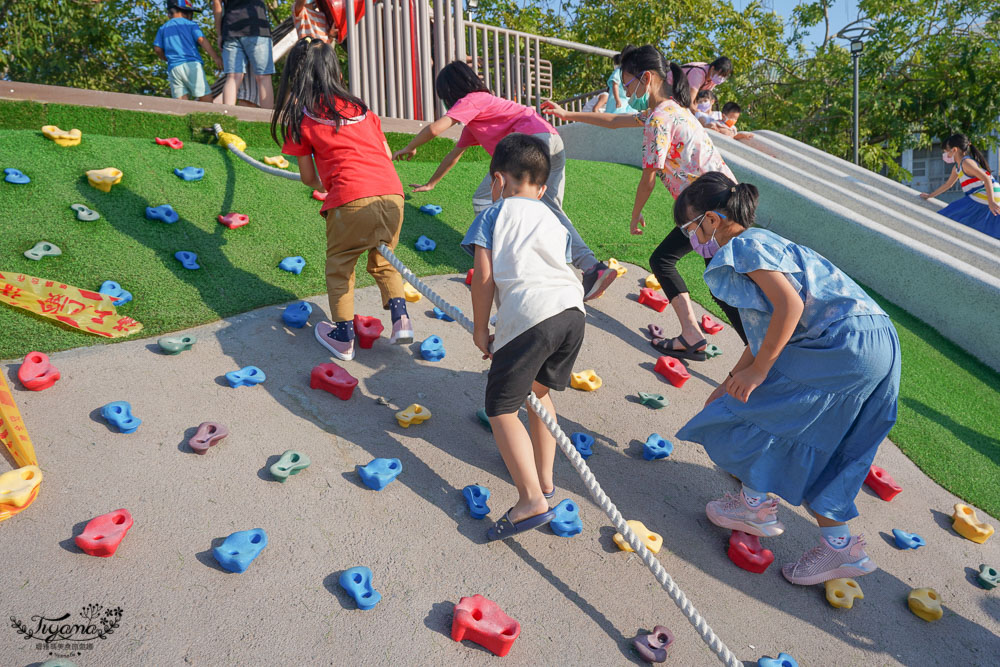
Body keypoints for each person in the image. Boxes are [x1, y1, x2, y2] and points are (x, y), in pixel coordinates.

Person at [674, 171, 900, 585]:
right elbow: (767, 333)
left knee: (758, 411)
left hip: (841, 341)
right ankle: (839, 546)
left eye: (690, 228)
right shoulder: (768, 243)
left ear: (711, 218)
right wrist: (734, 378)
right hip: (877, 342)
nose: (692, 238)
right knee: (830, 445)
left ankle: (754, 505)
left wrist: (756, 373)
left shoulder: (742, 245)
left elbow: (789, 308)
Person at [542, 46, 748, 360]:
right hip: (709, 209)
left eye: (627, 85)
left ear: (646, 78)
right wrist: (567, 114)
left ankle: (763, 355)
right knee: (665, 261)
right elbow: (613, 120)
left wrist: (635, 215)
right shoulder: (668, 110)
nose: (626, 91)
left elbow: (649, 175)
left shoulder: (660, 120)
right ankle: (693, 335)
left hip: (714, 215)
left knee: (723, 290)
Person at [392, 61, 618, 301]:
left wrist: (409, 147)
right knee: (551, 212)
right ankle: (590, 266)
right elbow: (454, 155)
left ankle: (498, 257)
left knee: (483, 197)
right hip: (552, 140)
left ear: (451, 92)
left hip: (529, 145)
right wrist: (432, 182)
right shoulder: (482, 113)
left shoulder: (473, 100)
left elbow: (436, 129)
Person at [461, 134, 586, 541]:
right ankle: (545, 480)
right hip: (572, 313)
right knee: (539, 393)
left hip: (533, 315)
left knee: (500, 407)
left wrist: (481, 328)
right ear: (544, 188)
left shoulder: (493, 215)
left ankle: (531, 498)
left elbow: (483, 278)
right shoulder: (555, 220)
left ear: (497, 181)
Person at [272, 37, 412, 360]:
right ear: (334, 69)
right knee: (384, 257)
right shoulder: (362, 110)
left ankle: (343, 336)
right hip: (393, 195)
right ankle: (401, 319)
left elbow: (309, 178)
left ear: (297, 75)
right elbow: (386, 154)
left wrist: (330, 182)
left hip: (350, 200)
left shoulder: (302, 117)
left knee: (340, 266)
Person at [920, 133, 1000, 239]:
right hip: (985, 196)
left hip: (985, 195)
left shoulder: (966, 163)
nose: (945, 155)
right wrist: (930, 195)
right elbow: (948, 185)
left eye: (945, 151)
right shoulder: (957, 168)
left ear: (954, 150)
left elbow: (986, 178)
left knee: (951, 213)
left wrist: (991, 202)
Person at [154, 0, 222, 102]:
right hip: (191, 64)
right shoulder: (190, 24)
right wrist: (216, 58)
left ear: (169, 14)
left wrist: (166, 58)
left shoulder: (163, 28)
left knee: (181, 100)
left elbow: (157, 49)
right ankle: (210, 115)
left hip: (174, 68)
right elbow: (201, 40)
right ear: (186, 13)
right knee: (205, 95)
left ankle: (182, 117)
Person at [213, 0, 275, 108]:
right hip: (257, 28)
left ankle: (228, 117)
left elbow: (216, 4)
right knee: (263, 76)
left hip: (230, 29)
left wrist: (219, 34)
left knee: (233, 77)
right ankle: (268, 120)